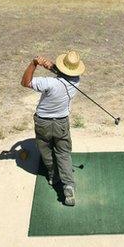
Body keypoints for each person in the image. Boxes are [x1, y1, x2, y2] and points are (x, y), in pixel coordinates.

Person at [21, 50, 85, 206]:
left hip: (43, 122)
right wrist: (49, 65)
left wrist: (34, 63)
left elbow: (25, 82)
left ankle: (53, 177)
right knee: (63, 153)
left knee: (47, 151)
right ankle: (68, 184)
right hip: (61, 123)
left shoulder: (48, 83)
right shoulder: (76, 81)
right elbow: (62, 73)